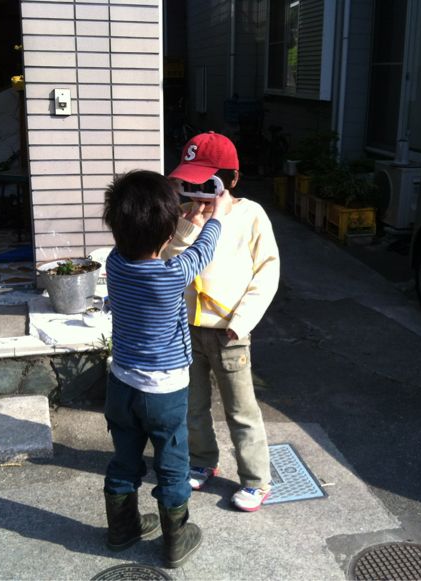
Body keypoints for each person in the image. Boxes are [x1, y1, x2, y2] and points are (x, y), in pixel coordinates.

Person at [101, 169, 232, 568]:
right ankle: (176, 540)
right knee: (173, 466)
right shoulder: (171, 275)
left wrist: (182, 224)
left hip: (121, 386)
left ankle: (122, 529)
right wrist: (216, 216)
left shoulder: (114, 263)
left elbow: (157, 248)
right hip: (165, 394)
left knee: (124, 460)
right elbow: (202, 252)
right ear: (167, 232)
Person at [164, 132, 280, 512]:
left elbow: (267, 271)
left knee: (241, 409)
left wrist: (242, 320)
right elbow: (170, 268)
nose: (198, 190)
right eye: (190, 182)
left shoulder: (250, 215)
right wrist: (188, 226)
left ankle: (256, 479)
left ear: (231, 179)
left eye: (207, 182)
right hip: (187, 329)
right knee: (192, 405)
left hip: (230, 332)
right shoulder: (184, 216)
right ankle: (202, 460)